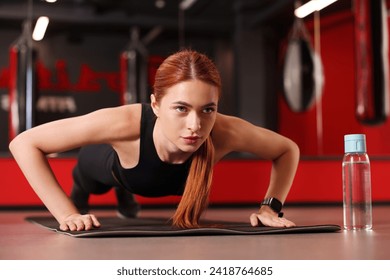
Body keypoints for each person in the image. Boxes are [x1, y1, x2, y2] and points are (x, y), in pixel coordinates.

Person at [9, 49, 299, 231]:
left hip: (150, 179)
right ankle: (105, 193)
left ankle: (124, 198)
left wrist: (269, 208)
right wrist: (68, 213)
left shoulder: (225, 131)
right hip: (107, 165)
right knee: (87, 185)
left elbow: (287, 149)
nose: (196, 126)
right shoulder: (126, 123)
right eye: (181, 108)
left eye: (207, 109)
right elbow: (24, 143)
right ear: (156, 105)